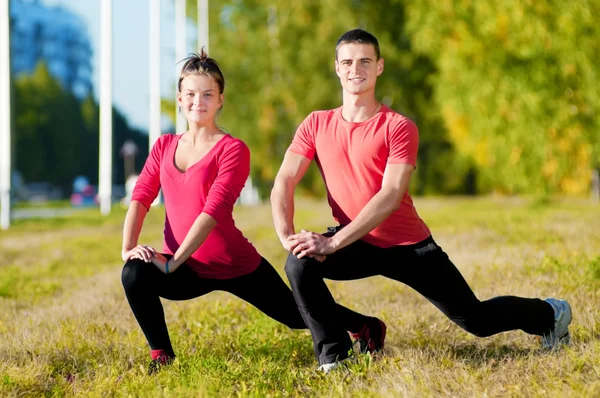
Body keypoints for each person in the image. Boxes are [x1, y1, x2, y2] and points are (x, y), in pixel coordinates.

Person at [270, 29, 572, 373]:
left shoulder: (398, 126)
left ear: (379, 66)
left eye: (365, 61)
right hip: (354, 240)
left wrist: (333, 241)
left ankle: (551, 314)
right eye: (348, 62)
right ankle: (336, 358)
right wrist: (287, 238)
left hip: (407, 246)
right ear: (336, 68)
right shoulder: (316, 123)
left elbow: (390, 195)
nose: (356, 69)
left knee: (476, 320)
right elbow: (285, 180)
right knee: (299, 263)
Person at [121, 50, 306, 374]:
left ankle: (364, 326)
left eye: (207, 94)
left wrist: (173, 261)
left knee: (296, 316)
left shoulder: (233, 149)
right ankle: (161, 355)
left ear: (220, 99)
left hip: (233, 264)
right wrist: (128, 248)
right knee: (134, 273)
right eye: (191, 94)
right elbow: (141, 197)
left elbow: (213, 210)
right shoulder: (164, 146)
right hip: (186, 269)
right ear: (180, 98)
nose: (198, 101)